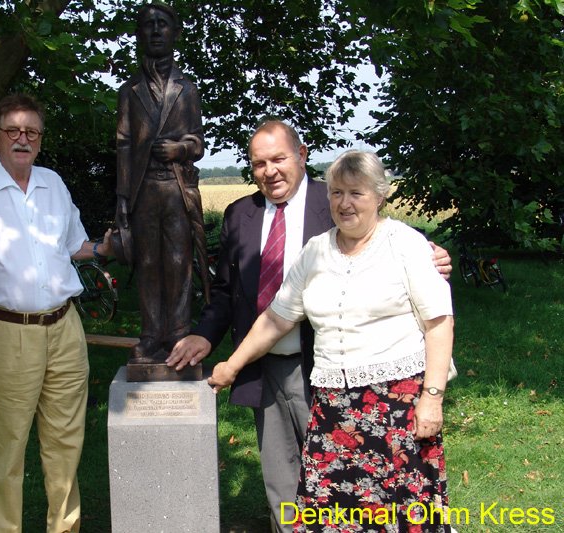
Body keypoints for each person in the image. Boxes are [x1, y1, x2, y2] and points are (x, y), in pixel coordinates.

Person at [167, 121, 451, 532]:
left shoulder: (366, 218)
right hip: (286, 375)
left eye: (278, 158)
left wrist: (434, 257)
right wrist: (219, 351)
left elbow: (432, 308)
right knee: (306, 487)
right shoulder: (250, 220)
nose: (269, 171)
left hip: (354, 383)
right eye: (259, 163)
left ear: (301, 155)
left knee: (391, 500)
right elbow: (253, 304)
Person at [0, 93, 111, 533]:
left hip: (65, 327)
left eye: (32, 133)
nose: (23, 139)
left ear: (40, 139)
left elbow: (75, 247)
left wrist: (109, 246)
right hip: (4, 331)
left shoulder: (53, 183)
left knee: (66, 442)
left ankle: (65, 527)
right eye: (13, 131)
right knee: (6, 448)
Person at [116, 2, 205, 360]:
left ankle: (179, 333)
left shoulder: (187, 89)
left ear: (175, 33)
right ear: (139, 34)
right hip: (142, 190)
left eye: (162, 24)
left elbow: (198, 142)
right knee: (148, 263)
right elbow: (123, 144)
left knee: (179, 262)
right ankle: (151, 333)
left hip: (177, 189)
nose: (155, 31)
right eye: (148, 25)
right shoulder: (129, 90)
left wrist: (179, 149)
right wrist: (123, 198)